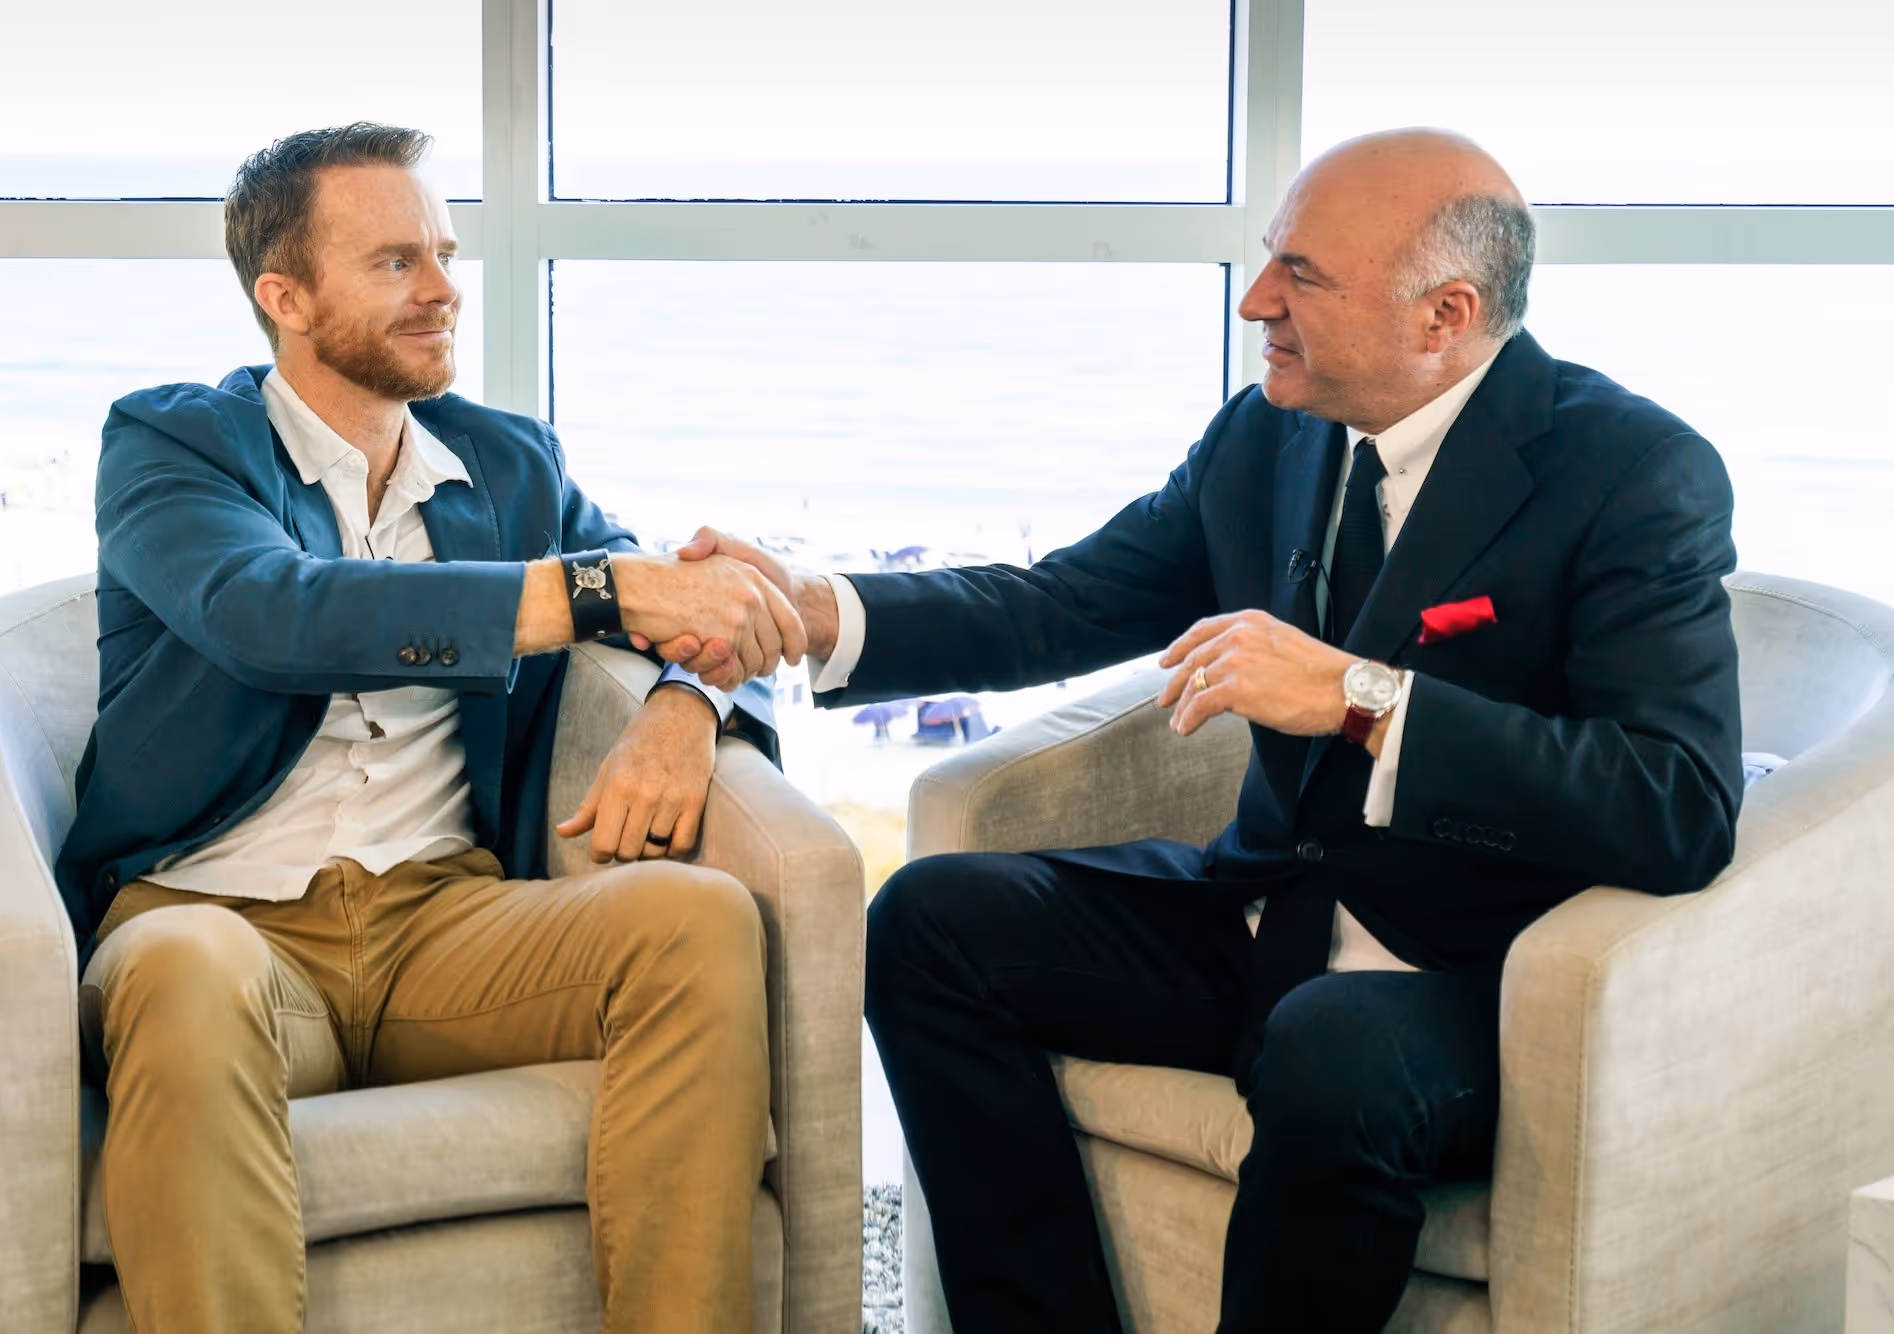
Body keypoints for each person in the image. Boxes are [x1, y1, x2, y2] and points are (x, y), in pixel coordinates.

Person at [672, 129, 1745, 1331]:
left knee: (1330, 1045)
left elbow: (1675, 801)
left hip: (1472, 976)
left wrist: (1362, 698)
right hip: (1258, 913)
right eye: (1267, 262)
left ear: (1442, 314)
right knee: (923, 924)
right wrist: (816, 610)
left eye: (1301, 275)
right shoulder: (1267, 435)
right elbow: (1062, 602)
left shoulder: (1632, 471)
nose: (1255, 303)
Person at [55, 123, 805, 1334]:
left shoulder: (510, 463)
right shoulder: (175, 443)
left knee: (697, 916)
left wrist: (687, 704)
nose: (446, 289)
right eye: (396, 262)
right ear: (283, 295)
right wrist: (598, 592)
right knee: (186, 973)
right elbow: (269, 612)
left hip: (442, 928)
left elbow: (706, 607)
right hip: (213, 917)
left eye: (445, 253)